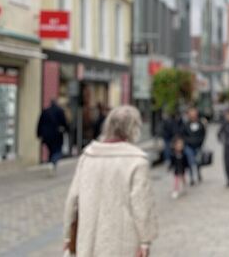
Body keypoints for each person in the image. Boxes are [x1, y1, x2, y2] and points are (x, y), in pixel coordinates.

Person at [63, 105, 158, 257]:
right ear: (133, 129)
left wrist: (68, 236)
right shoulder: (136, 161)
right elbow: (141, 204)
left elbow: (72, 200)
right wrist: (145, 241)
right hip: (122, 240)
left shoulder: (88, 156)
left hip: (89, 238)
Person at [37, 100, 69, 175]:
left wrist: (38, 134)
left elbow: (40, 123)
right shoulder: (60, 111)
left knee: (51, 150)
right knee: (57, 151)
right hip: (57, 135)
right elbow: (64, 123)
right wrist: (67, 130)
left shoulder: (45, 111)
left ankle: (51, 163)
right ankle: (52, 163)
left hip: (47, 136)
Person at [182, 107, 207, 185]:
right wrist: (187, 141)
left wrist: (200, 142)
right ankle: (192, 177)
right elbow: (183, 134)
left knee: (198, 161)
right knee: (190, 161)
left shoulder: (200, 124)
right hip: (189, 146)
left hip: (198, 145)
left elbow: (203, 133)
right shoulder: (186, 124)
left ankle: (198, 173)